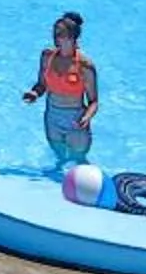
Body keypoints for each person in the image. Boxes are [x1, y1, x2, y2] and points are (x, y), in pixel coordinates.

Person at [21, 11, 101, 168]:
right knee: (59, 158)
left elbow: (93, 101)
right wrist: (34, 94)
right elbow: (41, 85)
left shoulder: (85, 66)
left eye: (60, 34)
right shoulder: (47, 56)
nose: (55, 37)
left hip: (75, 120)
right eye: (54, 33)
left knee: (78, 161)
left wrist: (87, 117)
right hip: (52, 117)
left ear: (72, 37)